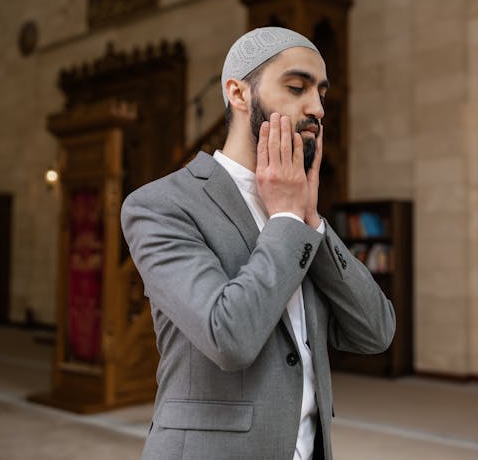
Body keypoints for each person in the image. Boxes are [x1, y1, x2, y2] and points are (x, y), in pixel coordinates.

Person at [121, 26, 396, 460]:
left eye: (321, 92)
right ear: (239, 93)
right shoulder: (160, 205)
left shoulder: (301, 213)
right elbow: (228, 337)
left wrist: (311, 220)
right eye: (296, 87)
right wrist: (287, 218)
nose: (318, 108)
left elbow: (376, 332)